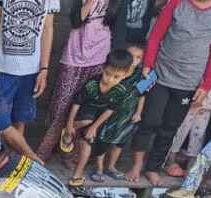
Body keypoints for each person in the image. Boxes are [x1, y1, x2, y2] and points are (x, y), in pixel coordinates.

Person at [124, 0, 211, 185]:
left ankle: (152, 168)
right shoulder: (177, 2)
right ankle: (136, 165)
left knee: (170, 127)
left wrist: (206, 85)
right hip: (160, 74)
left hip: (189, 81)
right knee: (149, 121)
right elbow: (155, 36)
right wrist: (148, 64)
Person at [37, 0, 118, 163]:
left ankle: (68, 151)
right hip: (73, 58)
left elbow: (117, 29)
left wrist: (114, 64)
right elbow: (75, 22)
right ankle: (44, 151)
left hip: (99, 58)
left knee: (85, 107)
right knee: (61, 105)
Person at [0, 0, 60, 164]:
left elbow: (48, 29)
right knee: (0, 122)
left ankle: (13, 163)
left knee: (20, 119)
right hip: (2, 69)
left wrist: (44, 68)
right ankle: (31, 156)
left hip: (31, 71)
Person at [165, 33, 211, 176]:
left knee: (199, 131)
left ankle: (192, 161)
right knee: (183, 126)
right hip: (197, 94)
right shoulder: (210, 52)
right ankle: (169, 158)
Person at [65, 49, 134, 186]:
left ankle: (77, 174)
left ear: (126, 75)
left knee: (89, 140)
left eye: (116, 77)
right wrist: (69, 124)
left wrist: (94, 128)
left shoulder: (121, 91)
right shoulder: (92, 84)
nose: (110, 79)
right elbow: (76, 104)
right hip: (86, 109)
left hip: (102, 116)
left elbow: (109, 110)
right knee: (87, 121)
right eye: (107, 74)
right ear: (102, 68)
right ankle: (71, 130)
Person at [98, 43, 150, 178]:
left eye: (139, 57)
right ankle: (99, 169)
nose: (134, 60)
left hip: (128, 114)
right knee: (103, 140)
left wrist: (138, 113)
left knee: (120, 142)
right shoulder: (116, 71)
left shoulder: (142, 76)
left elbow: (142, 95)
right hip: (109, 112)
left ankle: (111, 166)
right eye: (131, 56)